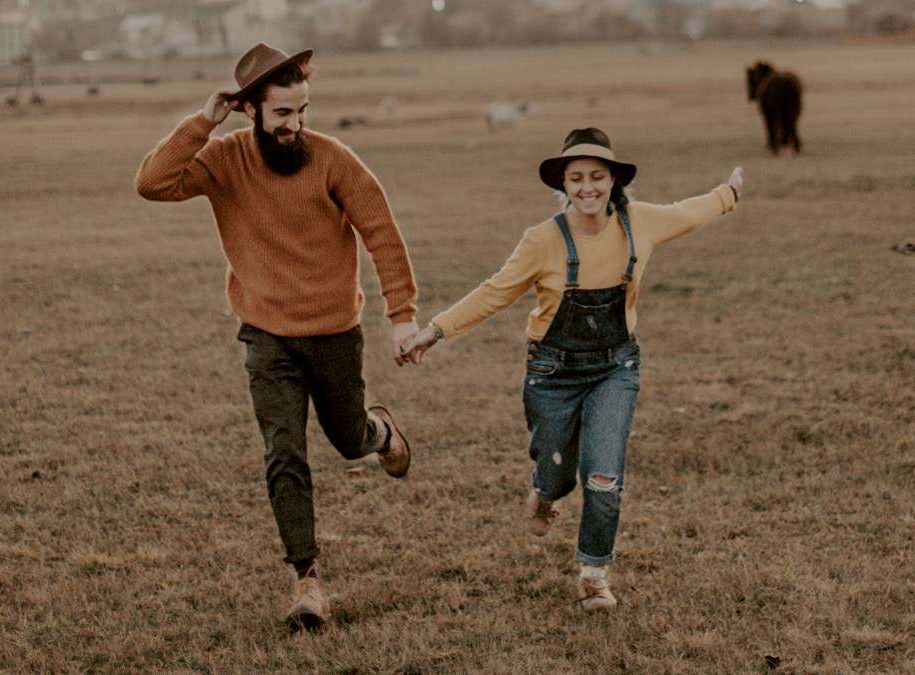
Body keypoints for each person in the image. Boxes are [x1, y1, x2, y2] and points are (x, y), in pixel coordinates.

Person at [134, 43, 419, 631]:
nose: (295, 125)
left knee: (346, 439)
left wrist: (403, 315)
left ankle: (380, 430)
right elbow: (152, 183)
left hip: (335, 332)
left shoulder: (335, 159)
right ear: (251, 111)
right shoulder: (223, 160)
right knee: (284, 451)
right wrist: (203, 120)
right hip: (265, 335)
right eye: (283, 114)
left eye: (302, 111)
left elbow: (382, 233)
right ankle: (308, 582)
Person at [401, 127, 742, 611]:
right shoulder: (542, 240)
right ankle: (545, 491)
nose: (587, 188)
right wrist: (434, 331)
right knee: (558, 472)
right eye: (576, 178)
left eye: (597, 177)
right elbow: (495, 292)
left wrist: (727, 194)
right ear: (563, 183)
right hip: (552, 373)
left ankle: (593, 574)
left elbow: (688, 213)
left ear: (612, 181)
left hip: (615, 369)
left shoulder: (638, 223)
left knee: (604, 476)